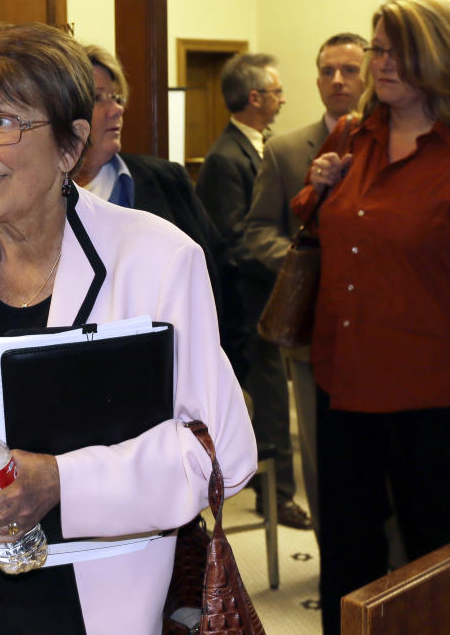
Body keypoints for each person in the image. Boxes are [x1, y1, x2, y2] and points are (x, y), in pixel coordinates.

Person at [0, 23, 257, 635]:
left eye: (2, 123)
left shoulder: (157, 258)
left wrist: (61, 481)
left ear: (70, 145)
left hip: (97, 600)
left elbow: (219, 455)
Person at [290, 0, 450, 633]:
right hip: (341, 376)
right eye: (377, 49)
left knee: (434, 539)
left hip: (426, 387)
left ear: (439, 57)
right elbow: (319, 223)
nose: (378, 64)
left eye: (393, 51)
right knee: (347, 546)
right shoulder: (354, 134)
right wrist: (314, 188)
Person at [243, 33, 368, 538]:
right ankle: (333, 555)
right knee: (322, 455)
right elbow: (257, 231)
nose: (337, 80)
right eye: (327, 70)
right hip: (315, 328)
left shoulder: (392, 145)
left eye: (350, 69)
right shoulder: (286, 149)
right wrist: (309, 271)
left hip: (381, 331)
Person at [73, 44, 243, 375]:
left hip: (174, 382)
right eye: (98, 98)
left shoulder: (166, 180)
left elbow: (221, 275)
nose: (116, 110)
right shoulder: (41, 202)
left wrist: (233, 373)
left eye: (117, 98)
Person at [197, 52, 312, 529]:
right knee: (267, 402)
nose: (284, 99)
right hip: (250, 303)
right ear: (255, 97)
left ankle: (280, 490)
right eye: (278, 91)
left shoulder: (261, 145)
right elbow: (231, 240)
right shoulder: (226, 157)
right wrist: (288, 262)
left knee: (275, 398)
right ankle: (276, 496)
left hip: (273, 295)